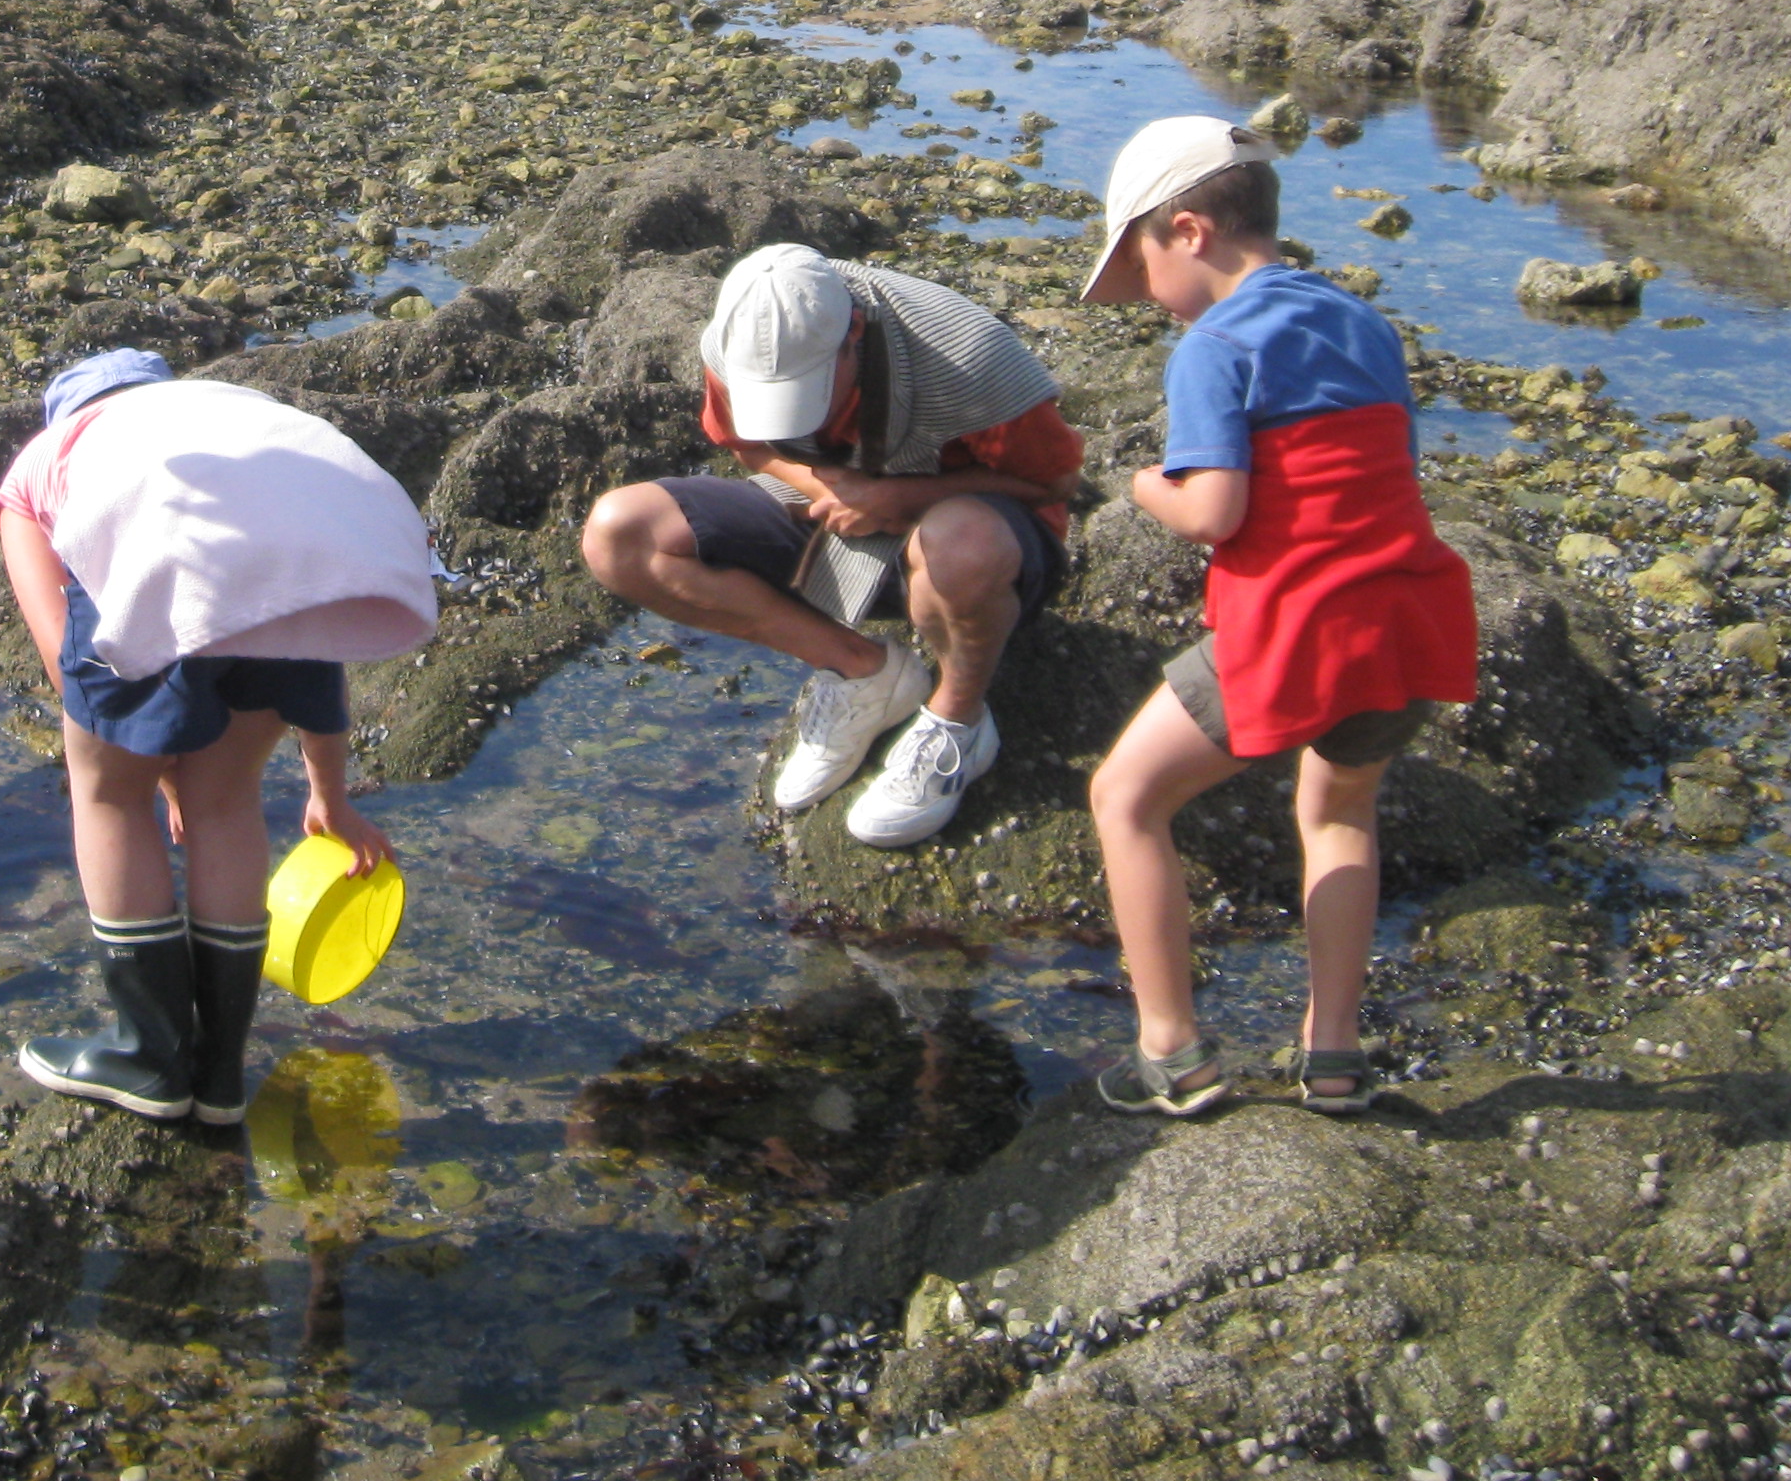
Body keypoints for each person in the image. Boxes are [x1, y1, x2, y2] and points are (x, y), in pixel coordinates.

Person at [1074, 116, 1477, 1117]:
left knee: (1126, 797)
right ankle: (1332, 1056)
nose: (1149, 297)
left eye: (1142, 267)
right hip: (1406, 616)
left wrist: (1145, 486)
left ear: (1189, 231)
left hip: (1298, 627)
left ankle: (1172, 1053)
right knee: (1339, 815)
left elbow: (1215, 512)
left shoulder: (1213, 346)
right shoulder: (1363, 324)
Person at [0, 351, 422, 1124]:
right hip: (328, 532)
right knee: (224, 797)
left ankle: (151, 1057)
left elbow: (68, 662)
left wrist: (144, 769)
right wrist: (330, 798)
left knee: (106, 796)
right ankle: (219, 1073)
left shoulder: (39, 465)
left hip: (163, 538)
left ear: (65, 414)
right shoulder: (220, 410)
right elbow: (311, 657)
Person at [579, 244, 1083, 847]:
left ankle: (958, 721)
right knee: (620, 534)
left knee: (960, 544)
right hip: (836, 512)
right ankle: (864, 673)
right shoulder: (736, 340)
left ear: (855, 333)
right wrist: (832, 488)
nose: (801, 419)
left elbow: (1054, 484)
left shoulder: (967, 356)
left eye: (810, 388)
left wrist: (898, 498)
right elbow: (749, 447)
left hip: (982, 546)